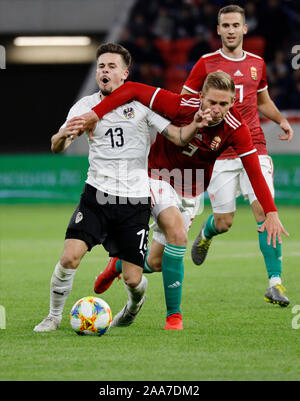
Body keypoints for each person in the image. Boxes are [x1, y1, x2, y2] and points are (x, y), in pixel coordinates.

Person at [67, 71, 288, 330]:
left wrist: (270, 211)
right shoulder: (181, 105)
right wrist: (96, 113)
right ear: (201, 97)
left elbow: (252, 168)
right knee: (178, 234)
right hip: (156, 177)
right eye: (211, 102)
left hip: (191, 189)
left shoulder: (235, 126)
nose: (216, 110)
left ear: (232, 103)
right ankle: (174, 316)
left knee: (158, 262)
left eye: (224, 104)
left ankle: (118, 264)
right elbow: (134, 90)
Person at [33, 43, 205, 333]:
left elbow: (176, 136)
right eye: (101, 66)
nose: (105, 71)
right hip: (96, 195)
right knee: (69, 256)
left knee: (132, 279)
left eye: (112, 67)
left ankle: (135, 304)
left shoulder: (140, 107)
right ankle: (53, 316)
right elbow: (56, 146)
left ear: (125, 74)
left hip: (134, 200)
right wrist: (64, 135)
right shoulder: (84, 107)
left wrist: (197, 124)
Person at [181, 5, 293, 306]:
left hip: (254, 147)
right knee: (224, 221)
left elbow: (263, 101)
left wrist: (280, 119)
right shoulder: (205, 64)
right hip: (220, 153)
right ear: (218, 30)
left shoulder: (257, 62)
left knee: (265, 213)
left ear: (245, 29)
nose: (230, 30)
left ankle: (275, 283)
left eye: (235, 25)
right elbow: (185, 102)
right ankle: (206, 233)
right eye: (225, 25)